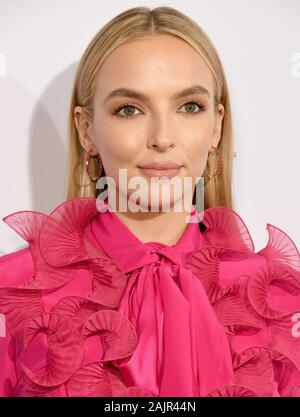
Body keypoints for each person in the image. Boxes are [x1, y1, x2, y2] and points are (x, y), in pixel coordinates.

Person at [0, 6, 299, 397]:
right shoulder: (15, 293)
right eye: (130, 109)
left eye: (189, 107)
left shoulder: (277, 301)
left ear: (216, 126)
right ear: (86, 130)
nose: (161, 137)